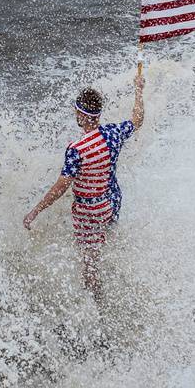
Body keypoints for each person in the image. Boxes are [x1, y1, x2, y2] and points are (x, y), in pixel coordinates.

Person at [23, 61, 145, 301]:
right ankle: (108, 259)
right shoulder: (113, 133)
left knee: (89, 261)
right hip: (111, 201)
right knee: (105, 238)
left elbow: (61, 187)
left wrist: (35, 211)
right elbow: (137, 119)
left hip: (89, 210)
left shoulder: (76, 149)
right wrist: (138, 89)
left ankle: (96, 300)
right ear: (98, 114)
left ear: (80, 114)